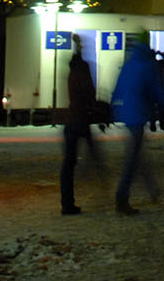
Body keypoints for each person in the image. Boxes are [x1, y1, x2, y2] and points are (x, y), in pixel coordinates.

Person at [111, 40, 164, 214]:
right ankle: (121, 197)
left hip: (128, 114)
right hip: (138, 114)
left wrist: (114, 108)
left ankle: (152, 189)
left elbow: (118, 88)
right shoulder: (148, 66)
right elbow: (156, 90)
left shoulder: (129, 65)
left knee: (138, 154)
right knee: (132, 160)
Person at [59, 35, 100, 216]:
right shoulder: (83, 70)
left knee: (68, 163)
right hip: (81, 119)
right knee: (94, 156)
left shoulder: (72, 71)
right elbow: (89, 94)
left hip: (71, 120)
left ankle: (67, 203)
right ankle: (101, 185)